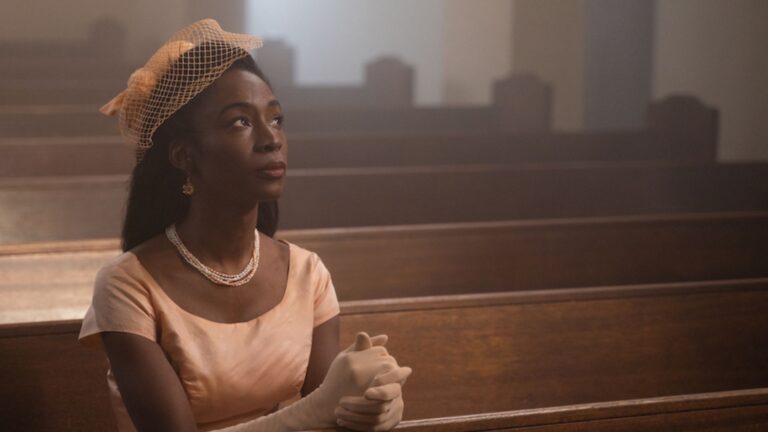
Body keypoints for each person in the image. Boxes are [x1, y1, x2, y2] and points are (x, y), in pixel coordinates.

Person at [78, 19, 411, 432]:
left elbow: (334, 415)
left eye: (276, 119)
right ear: (184, 156)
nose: (271, 139)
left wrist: (373, 407)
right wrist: (316, 409)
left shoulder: (307, 273)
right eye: (240, 121)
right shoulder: (127, 284)